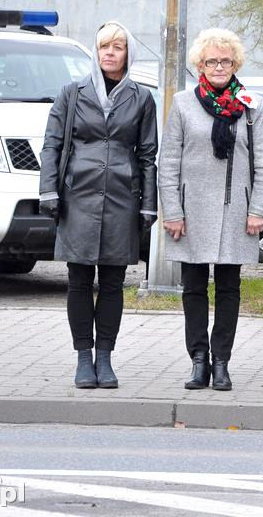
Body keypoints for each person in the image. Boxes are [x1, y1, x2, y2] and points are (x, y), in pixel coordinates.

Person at [38, 21, 158, 390]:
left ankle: (105, 358)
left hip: (122, 198)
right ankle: (82, 358)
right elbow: (52, 145)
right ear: (96, 50)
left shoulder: (141, 97)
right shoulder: (72, 93)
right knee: (78, 279)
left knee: (112, 282)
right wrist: (48, 192)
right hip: (78, 197)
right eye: (104, 46)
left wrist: (149, 206)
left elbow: (148, 154)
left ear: (128, 54)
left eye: (117, 47)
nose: (110, 52)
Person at [158, 28, 263, 392]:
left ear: (236, 63)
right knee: (193, 287)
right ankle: (198, 360)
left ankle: (221, 361)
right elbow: (168, 162)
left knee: (228, 287)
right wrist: (172, 211)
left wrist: (258, 209)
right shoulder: (182, 103)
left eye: (226, 60)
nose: (219, 66)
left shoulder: (251, 106)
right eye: (212, 61)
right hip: (191, 213)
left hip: (236, 212)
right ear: (200, 65)